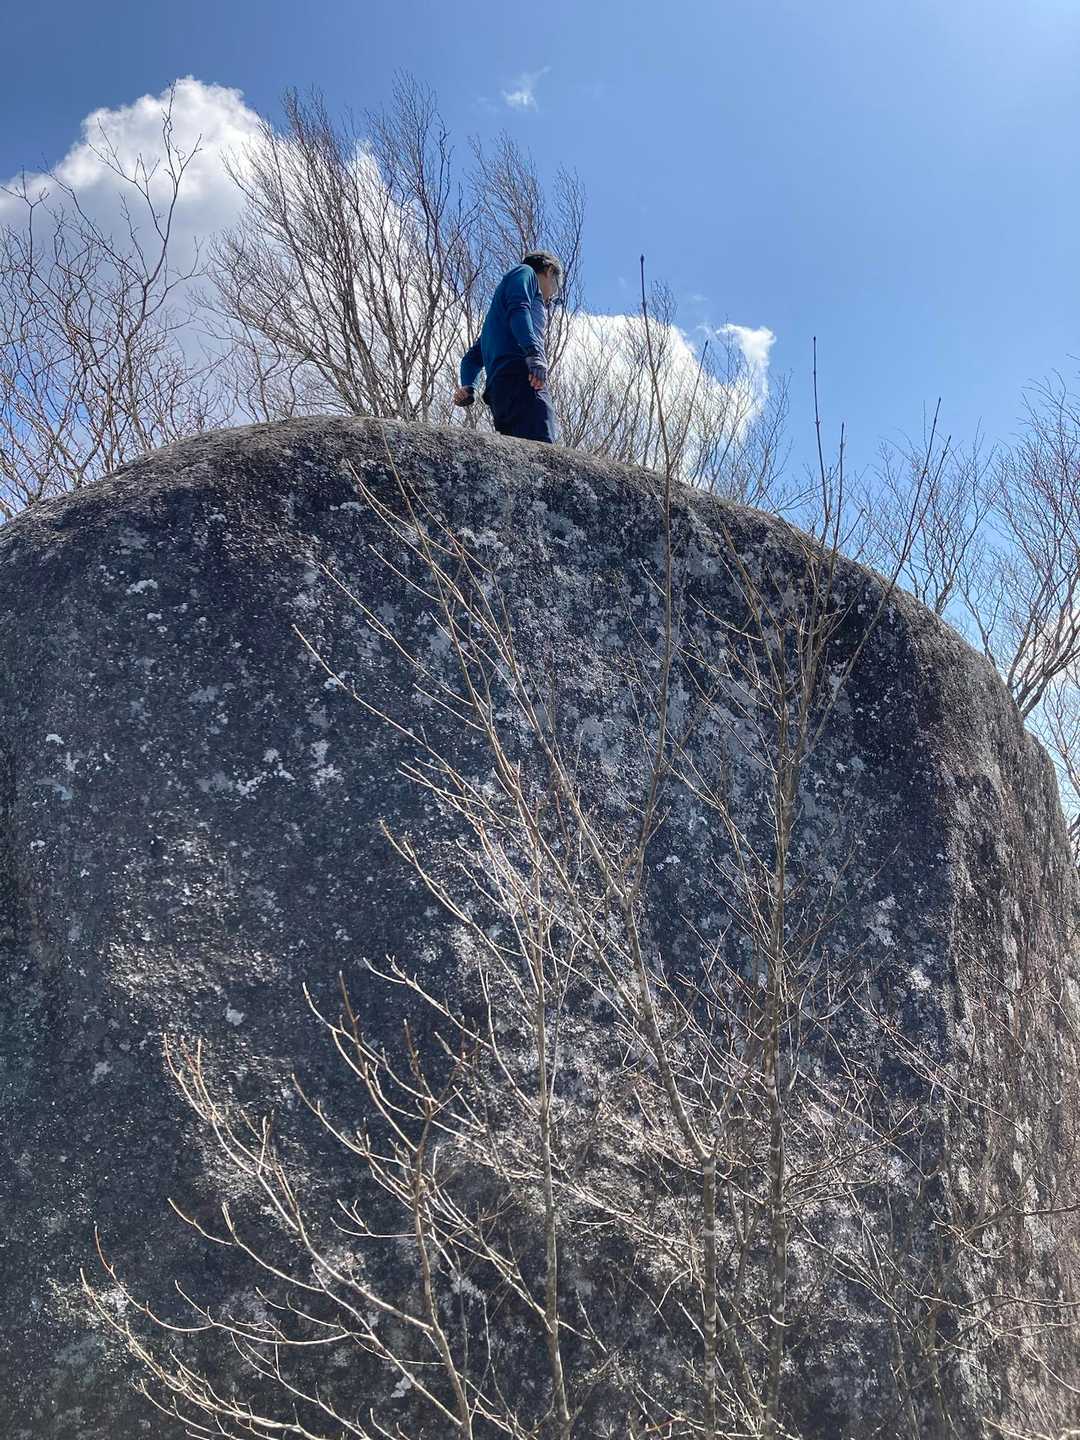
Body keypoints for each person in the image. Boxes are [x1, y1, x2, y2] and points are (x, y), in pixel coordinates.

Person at [452, 251, 563, 444]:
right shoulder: (525, 272)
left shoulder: (495, 320)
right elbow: (519, 307)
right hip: (524, 380)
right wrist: (534, 352)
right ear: (549, 270)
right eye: (555, 291)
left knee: (521, 450)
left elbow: (472, 358)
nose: (549, 300)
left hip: (499, 394)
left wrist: (469, 386)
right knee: (543, 445)